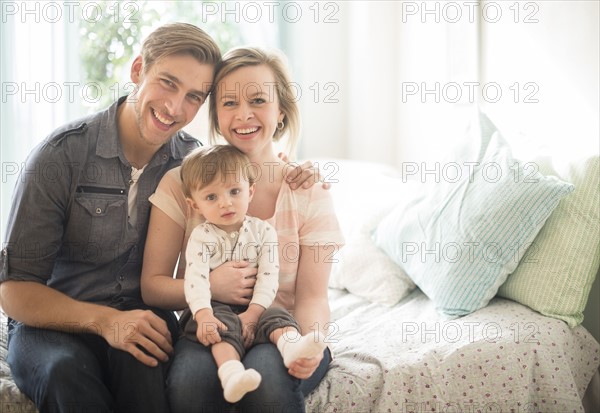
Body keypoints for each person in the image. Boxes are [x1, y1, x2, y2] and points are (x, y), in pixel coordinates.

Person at [0, 23, 318, 413]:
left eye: (194, 97)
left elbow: (243, 169)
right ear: (138, 71)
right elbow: (13, 291)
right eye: (167, 83)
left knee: (153, 380)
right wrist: (105, 322)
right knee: (67, 373)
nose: (174, 107)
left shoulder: (191, 162)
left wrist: (293, 167)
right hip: (54, 322)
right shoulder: (60, 155)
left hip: (142, 318)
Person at [141, 46, 344, 413]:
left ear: (280, 111)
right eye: (229, 102)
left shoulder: (308, 189)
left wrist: (310, 344)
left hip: (283, 330)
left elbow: (313, 296)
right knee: (191, 383)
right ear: (216, 114)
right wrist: (211, 287)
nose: (244, 114)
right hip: (209, 325)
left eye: (258, 100)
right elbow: (153, 285)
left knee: (266, 380)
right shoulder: (181, 184)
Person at [178, 144, 327, 403]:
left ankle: (291, 347)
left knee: (278, 315)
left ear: (250, 191)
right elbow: (195, 280)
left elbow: (269, 276)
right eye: (211, 197)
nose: (225, 202)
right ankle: (231, 371)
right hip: (215, 309)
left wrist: (254, 314)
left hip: (258, 310)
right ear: (195, 205)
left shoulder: (262, 231)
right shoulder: (201, 237)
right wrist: (203, 315)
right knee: (220, 326)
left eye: (234, 191)